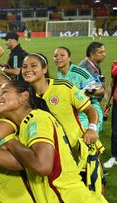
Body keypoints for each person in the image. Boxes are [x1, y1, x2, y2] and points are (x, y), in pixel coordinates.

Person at [22, 53, 105, 197]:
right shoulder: (25, 98)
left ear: (44, 69)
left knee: (95, 194)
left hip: (80, 155)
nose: (27, 69)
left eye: (33, 65)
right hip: (56, 162)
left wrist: (92, 128)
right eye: (24, 66)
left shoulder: (64, 86)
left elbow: (90, 108)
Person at [53, 46, 103, 132]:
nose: (58, 58)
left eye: (62, 55)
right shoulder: (59, 73)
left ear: (69, 58)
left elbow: (100, 88)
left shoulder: (79, 72)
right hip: (74, 112)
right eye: (55, 56)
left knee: (85, 140)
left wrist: (84, 93)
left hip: (89, 112)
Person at [103, 60, 117, 168]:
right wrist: (107, 103)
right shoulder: (115, 65)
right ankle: (113, 157)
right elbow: (112, 85)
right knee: (115, 132)